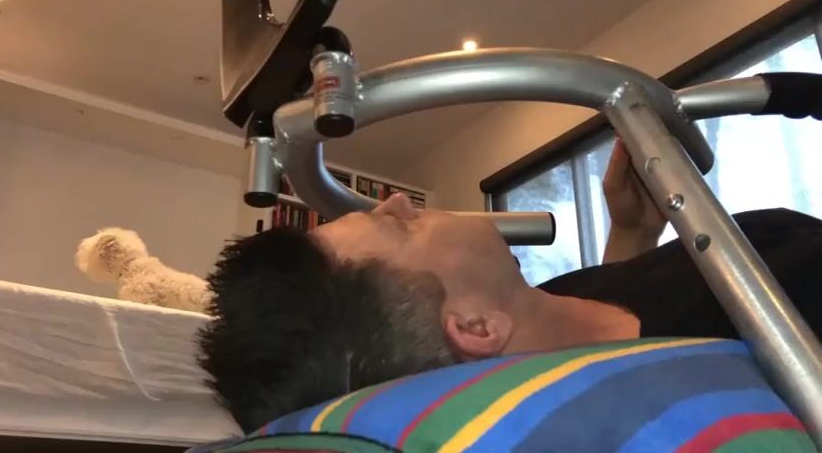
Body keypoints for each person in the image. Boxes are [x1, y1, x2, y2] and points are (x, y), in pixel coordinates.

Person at [199, 140, 822, 433]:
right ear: (476, 325)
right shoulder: (770, 321)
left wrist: (632, 232)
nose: (398, 202)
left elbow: (613, 331)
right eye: (395, 228)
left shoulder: (555, 303)